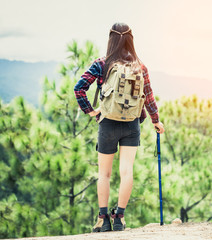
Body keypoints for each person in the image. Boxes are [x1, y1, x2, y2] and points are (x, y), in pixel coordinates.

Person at [74, 22, 165, 232]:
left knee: (104, 174)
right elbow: (149, 98)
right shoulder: (140, 67)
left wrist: (90, 111)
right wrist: (155, 121)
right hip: (132, 125)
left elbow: (79, 88)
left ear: (111, 39)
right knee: (127, 172)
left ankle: (102, 219)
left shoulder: (102, 64)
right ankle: (120, 218)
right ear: (131, 40)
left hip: (107, 125)